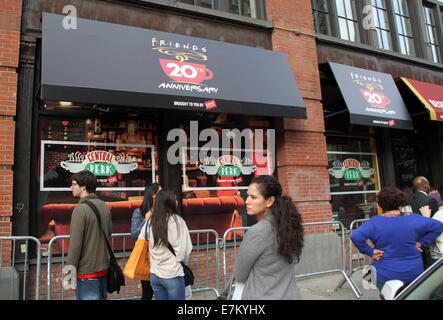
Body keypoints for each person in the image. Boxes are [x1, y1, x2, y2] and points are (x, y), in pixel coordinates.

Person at [350, 186, 443, 292]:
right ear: (401, 201)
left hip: (384, 272)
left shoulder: (374, 222)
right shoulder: (413, 218)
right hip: (413, 272)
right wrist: (421, 243)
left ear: (380, 203)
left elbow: (355, 236)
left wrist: (370, 251)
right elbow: (438, 226)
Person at [233, 175, 304, 300]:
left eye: (253, 197)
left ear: (270, 201)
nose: (246, 201)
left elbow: (239, 275)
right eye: (247, 195)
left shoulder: (257, 232)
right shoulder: (288, 226)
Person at [66, 170, 112, 300]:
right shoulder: (104, 206)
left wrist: (69, 272)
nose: (71, 187)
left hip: (86, 272)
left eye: (74, 184)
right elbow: (108, 233)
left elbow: (75, 245)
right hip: (103, 267)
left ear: (83, 186)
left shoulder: (80, 210)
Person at [146, 189, 192, 300]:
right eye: (175, 200)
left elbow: (145, 241)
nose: (176, 202)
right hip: (172, 273)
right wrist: (181, 262)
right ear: (169, 202)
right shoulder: (176, 221)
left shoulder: (151, 221)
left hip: (155, 273)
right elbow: (183, 251)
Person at [130, 183, 161, 300]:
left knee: (161, 291)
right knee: (147, 291)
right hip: (146, 258)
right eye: (160, 192)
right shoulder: (139, 212)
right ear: (153, 196)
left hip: (161, 257)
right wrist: (146, 220)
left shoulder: (163, 212)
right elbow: (134, 234)